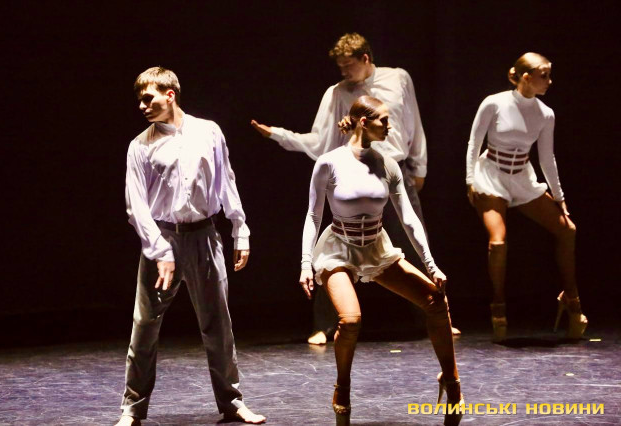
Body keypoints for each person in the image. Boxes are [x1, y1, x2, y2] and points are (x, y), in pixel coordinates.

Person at [251, 32, 460, 343]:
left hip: (394, 168)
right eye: (340, 67)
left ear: (366, 58)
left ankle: (438, 314)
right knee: (338, 245)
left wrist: (419, 166)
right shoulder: (338, 93)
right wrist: (279, 134)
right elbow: (319, 140)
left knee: (414, 236)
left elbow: (413, 124)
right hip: (354, 171)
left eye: (348, 65)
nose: (344, 72)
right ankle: (324, 324)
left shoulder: (398, 78)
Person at [300, 95, 463, 425]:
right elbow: (313, 216)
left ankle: (452, 382)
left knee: (436, 300)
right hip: (338, 248)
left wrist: (431, 264)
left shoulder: (387, 164)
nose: (390, 126)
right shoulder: (329, 163)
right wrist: (305, 262)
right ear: (364, 122)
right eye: (384, 120)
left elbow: (409, 219)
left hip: (376, 247)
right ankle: (342, 386)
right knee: (350, 321)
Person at [116, 67, 265, 425]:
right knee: (145, 325)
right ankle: (132, 408)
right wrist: (160, 251)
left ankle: (232, 402)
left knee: (218, 324)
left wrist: (240, 228)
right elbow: (136, 206)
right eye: (139, 100)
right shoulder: (140, 146)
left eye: (148, 98)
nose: (142, 106)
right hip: (163, 237)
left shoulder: (208, 131)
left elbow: (225, 179)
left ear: (170, 95)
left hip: (204, 236)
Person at [465, 52, 587, 343]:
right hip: (491, 175)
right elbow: (474, 142)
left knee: (567, 229)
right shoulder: (494, 103)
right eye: (544, 76)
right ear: (525, 77)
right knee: (498, 242)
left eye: (549, 75)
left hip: (522, 177)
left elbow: (547, 158)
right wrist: (470, 181)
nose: (549, 81)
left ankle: (571, 298)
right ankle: (498, 304)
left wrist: (559, 196)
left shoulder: (545, 113)